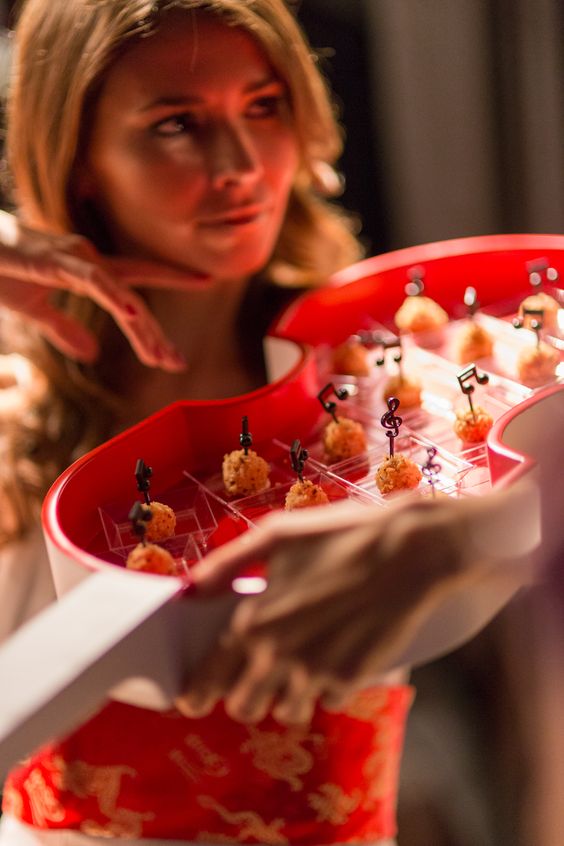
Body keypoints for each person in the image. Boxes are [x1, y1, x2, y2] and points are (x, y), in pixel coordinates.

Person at [0, 1, 540, 844]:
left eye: (264, 105)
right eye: (177, 123)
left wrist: (461, 535)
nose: (242, 164)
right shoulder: (11, 393)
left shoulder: (384, 368)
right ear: (78, 160)